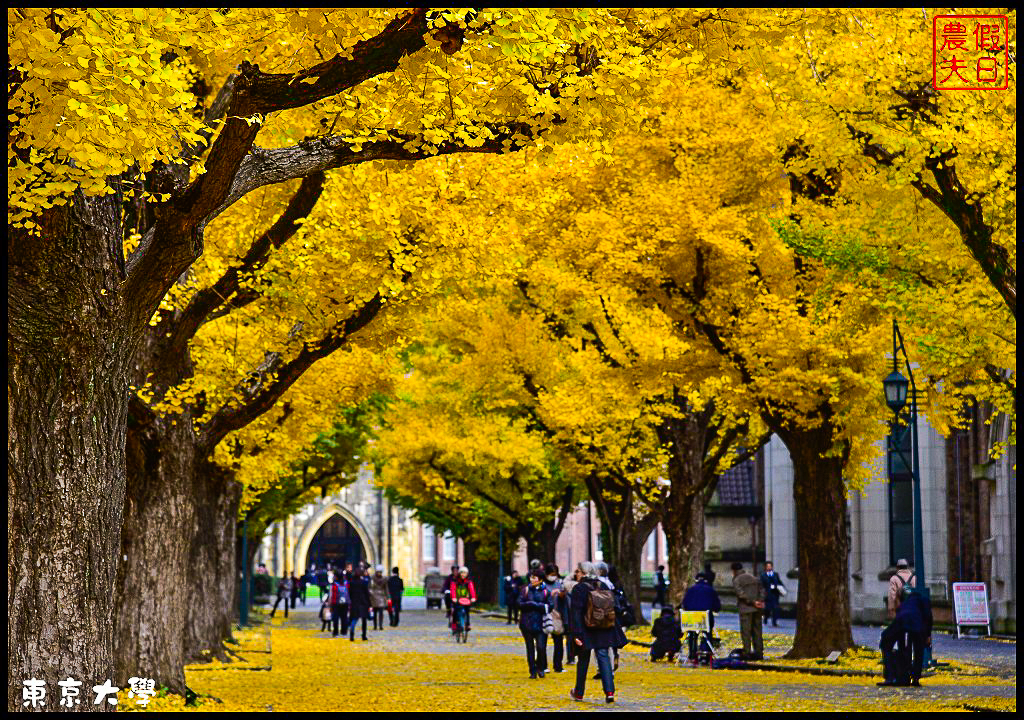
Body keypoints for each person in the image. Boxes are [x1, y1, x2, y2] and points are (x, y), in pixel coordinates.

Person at [568, 561, 618, 704]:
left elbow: (576, 613)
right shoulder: (603, 585)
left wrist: (576, 634)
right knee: (603, 657)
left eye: (577, 571)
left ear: (583, 573)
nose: (575, 574)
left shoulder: (579, 589)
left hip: (586, 628)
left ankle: (579, 693)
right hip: (603, 627)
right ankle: (609, 692)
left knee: (583, 660)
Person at [879, 585, 932, 687]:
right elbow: (928, 617)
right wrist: (928, 635)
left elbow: (897, 619)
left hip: (902, 625)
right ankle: (915, 678)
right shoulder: (924, 600)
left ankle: (896, 676)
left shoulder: (905, 604)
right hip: (917, 626)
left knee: (903, 649)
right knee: (918, 652)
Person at [519, 569, 552, 679]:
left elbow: (550, 606)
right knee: (530, 648)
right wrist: (529, 604)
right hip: (526, 623)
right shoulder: (526, 590)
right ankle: (532, 670)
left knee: (541, 647)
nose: (531, 579)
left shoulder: (546, 591)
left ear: (540, 579)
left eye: (534, 577)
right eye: (531, 577)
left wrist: (537, 606)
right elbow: (519, 603)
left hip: (541, 623)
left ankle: (541, 667)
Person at [681, 572, 721, 663]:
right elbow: (717, 606)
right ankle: (705, 654)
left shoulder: (690, 590)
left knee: (692, 635)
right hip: (705, 618)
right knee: (707, 634)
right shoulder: (710, 590)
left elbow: (685, 604)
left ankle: (692, 654)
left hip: (692, 618)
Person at [731, 562, 764, 661]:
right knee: (757, 631)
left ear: (734, 571)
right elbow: (762, 590)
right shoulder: (754, 577)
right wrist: (759, 601)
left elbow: (741, 594)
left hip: (746, 609)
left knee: (746, 632)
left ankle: (747, 652)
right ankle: (759, 652)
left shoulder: (737, 580)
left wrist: (753, 602)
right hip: (757, 609)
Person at [543, 563, 566, 673]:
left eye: (555, 574)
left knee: (559, 642)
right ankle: (543, 665)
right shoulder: (542, 584)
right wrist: (550, 594)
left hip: (557, 615)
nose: (553, 576)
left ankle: (558, 665)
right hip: (545, 614)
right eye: (551, 574)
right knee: (542, 642)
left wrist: (562, 595)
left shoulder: (559, 583)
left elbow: (564, 597)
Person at [448, 566, 477, 634]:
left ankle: (468, 624)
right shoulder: (455, 580)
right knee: (455, 611)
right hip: (457, 599)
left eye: (465, 573)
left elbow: (472, 589)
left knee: (467, 611)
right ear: (459, 573)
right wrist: (454, 598)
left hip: (466, 599)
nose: (463, 574)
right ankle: (454, 625)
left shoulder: (469, 581)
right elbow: (453, 589)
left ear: (467, 574)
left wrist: (473, 597)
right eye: (461, 573)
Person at [347, 566, 370, 641]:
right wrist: (369, 603)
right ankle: (364, 635)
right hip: (363, 603)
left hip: (355, 602)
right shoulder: (363, 582)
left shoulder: (351, 583)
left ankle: (352, 633)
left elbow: (349, 593)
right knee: (364, 620)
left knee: (354, 619)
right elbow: (367, 593)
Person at [759, 561, 785, 627]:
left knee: (775, 608)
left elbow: (779, 582)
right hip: (767, 594)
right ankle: (766, 618)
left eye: (770, 566)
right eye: (768, 566)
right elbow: (761, 585)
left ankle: (774, 622)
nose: (769, 567)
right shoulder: (763, 575)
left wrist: (781, 589)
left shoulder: (775, 574)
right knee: (767, 609)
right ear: (765, 567)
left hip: (775, 594)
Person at [327, 573, 349, 637]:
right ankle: (344, 631)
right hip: (345, 603)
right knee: (344, 617)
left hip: (335, 603)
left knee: (335, 618)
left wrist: (330, 604)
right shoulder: (346, 584)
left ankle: (335, 632)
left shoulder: (334, 585)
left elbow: (331, 595)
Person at [369, 565, 389, 631]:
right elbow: (370, 587)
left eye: (380, 572)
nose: (379, 573)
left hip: (381, 596)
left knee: (380, 612)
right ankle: (375, 626)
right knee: (375, 612)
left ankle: (380, 625)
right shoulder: (372, 578)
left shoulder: (384, 579)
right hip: (374, 596)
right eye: (378, 572)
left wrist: (387, 596)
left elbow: (386, 588)